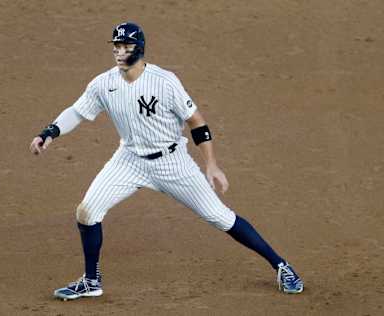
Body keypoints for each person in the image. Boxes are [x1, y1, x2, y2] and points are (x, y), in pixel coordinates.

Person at [29, 22, 304, 300]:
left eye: (126, 46)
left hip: (173, 163)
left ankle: (281, 266)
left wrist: (211, 164)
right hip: (129, 159)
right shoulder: (103, 84)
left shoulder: (165, 82)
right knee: (87, 212)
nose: (120, 51)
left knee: (220, 217)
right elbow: (77, 112)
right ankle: (91, 281)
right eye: (116, 46)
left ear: (140, 48)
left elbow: (197, 123)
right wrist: (49, 133)